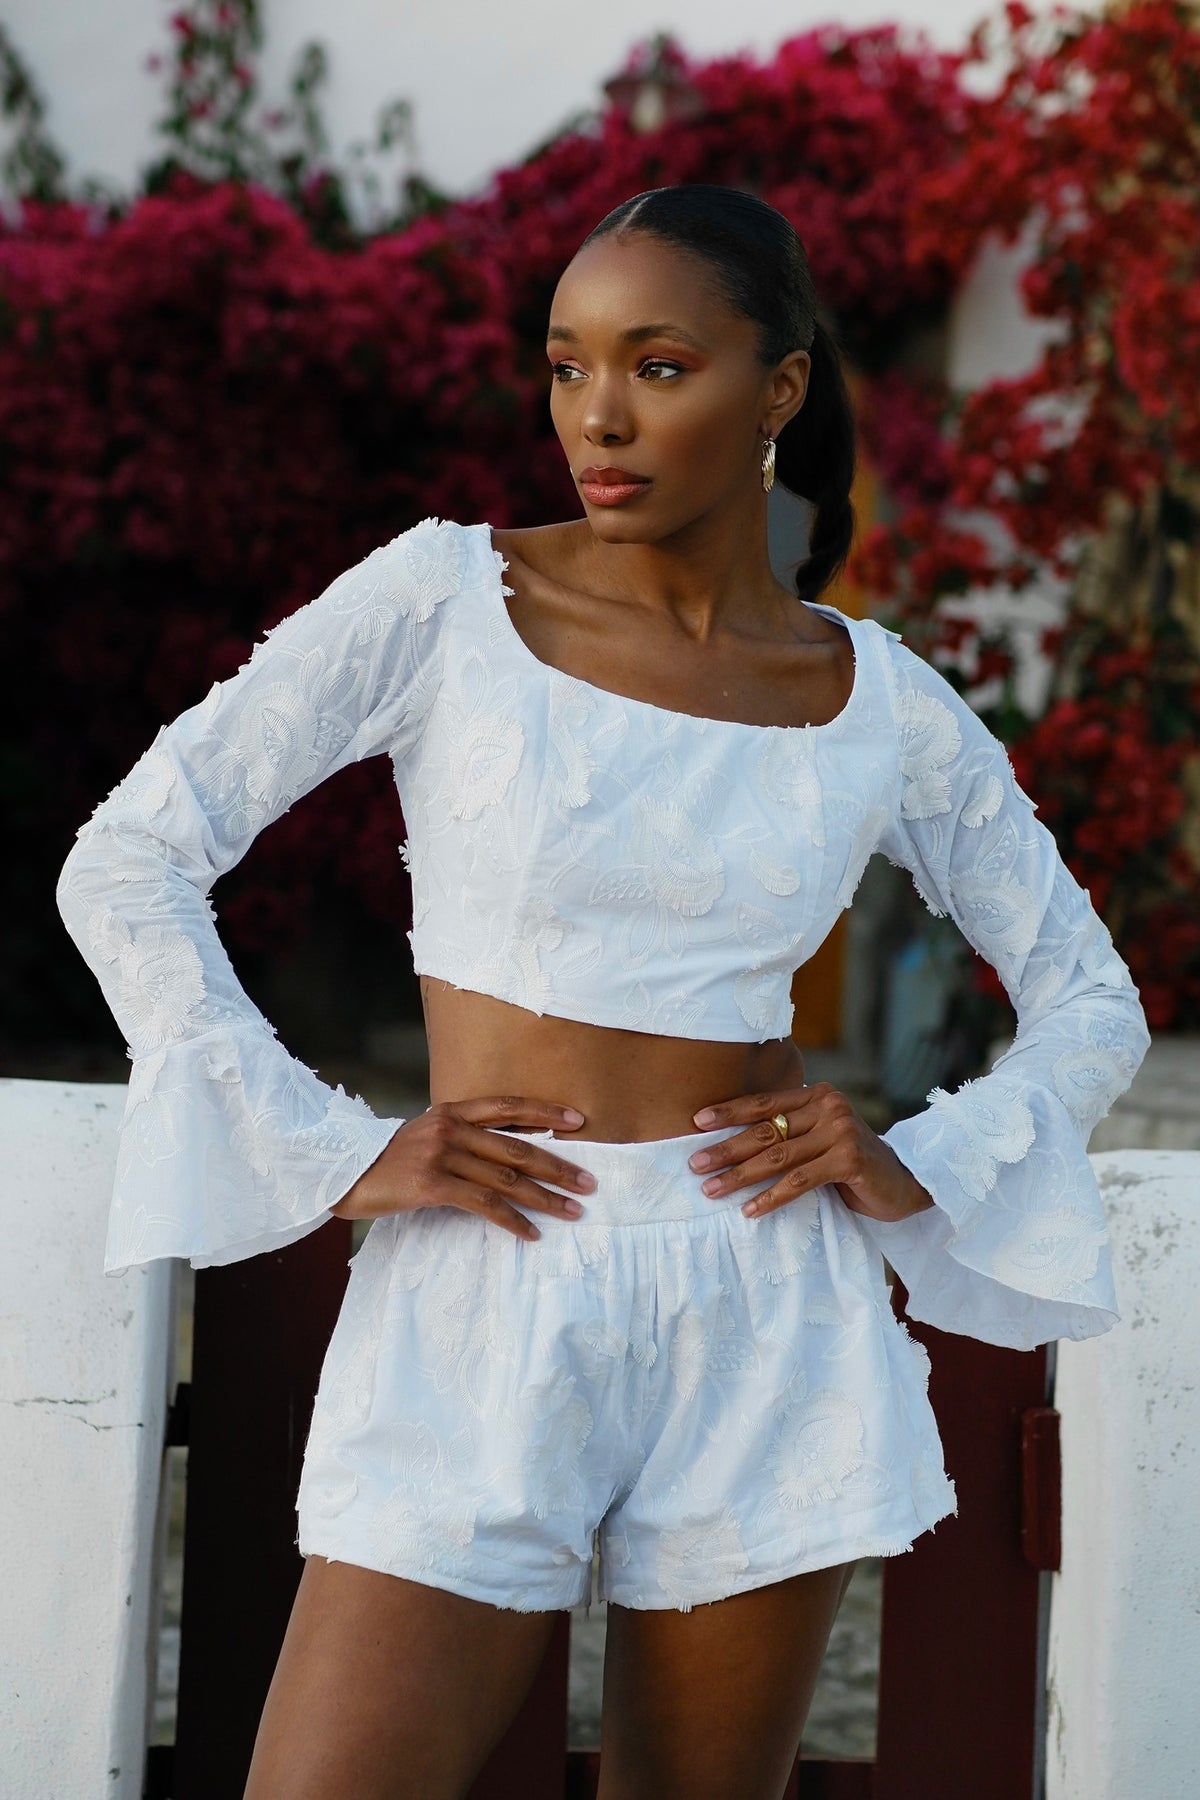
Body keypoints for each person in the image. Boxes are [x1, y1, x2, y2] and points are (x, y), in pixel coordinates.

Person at [56, 183, 1151, 1800]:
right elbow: (130, 858)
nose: (595, 416)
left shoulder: (876, 702)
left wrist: (925, 1156)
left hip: (766, 1309)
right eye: (566, 365)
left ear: (778, 387)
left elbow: (1090, 995)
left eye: (657, 364)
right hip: (484, 1281)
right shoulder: (445, 601)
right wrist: (329, 1147)